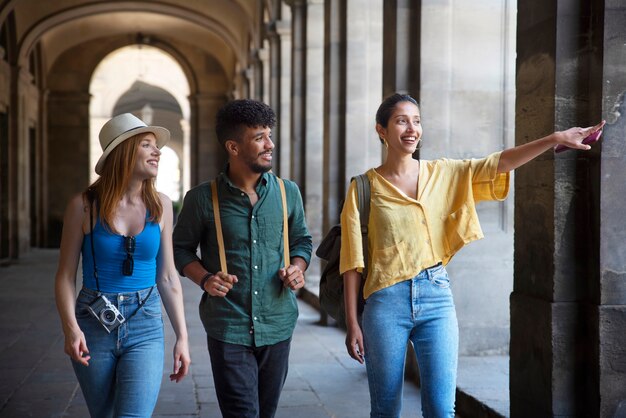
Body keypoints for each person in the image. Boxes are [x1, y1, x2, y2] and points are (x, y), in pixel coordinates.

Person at [339, 93, 605, 418]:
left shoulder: (443, 173)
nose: (412, 128)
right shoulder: (363, 187)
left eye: (417, 120)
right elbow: (352, 261)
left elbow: (498, 163)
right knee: (385, 409)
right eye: (401, 120)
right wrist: (353, 322)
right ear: (381, 130)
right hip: (384, 303)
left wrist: (554, 139)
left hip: (436, 297)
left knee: (441, 409)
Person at [172, 99, 313, 418]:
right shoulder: (201, 199)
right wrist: (206, 279)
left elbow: (302, 240)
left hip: (277, 323)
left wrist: (298, 267)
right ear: (233, 147)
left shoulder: (286, 192)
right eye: (260, 137)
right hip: (228, 326)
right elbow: (180, 249)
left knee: (266, 412)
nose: (270, 144)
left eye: (269, 135)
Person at [54, 113, 190, 417]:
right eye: (147, 145)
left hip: (146, 321)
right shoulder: (84, 205)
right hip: (92, 320)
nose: (157, 152)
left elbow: (167, 276)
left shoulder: (162, 205)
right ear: (123, 152)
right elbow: (64, 277)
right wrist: (71, 329)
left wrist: (182, 336)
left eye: (157, 147)